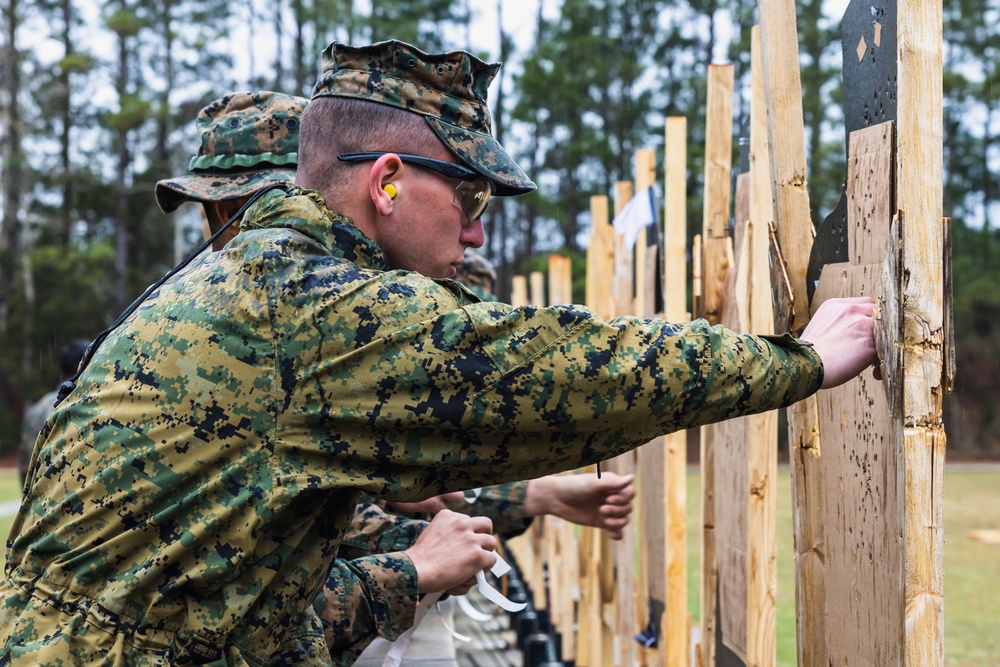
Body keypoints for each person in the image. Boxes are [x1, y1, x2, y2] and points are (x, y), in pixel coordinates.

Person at [1, 40, 878, 666]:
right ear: (385, 183)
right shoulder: (316, 303)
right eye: (465, 195)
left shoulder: (274, 277)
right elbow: (553, 372)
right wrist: (797, 361)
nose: (476, 225)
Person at [153, 91, 636, 666]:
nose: (243, 233)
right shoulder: (218, 352)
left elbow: (347, 521)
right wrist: (411, 569)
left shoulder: (261, 331)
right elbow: (235, 621)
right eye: (226, 214)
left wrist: (525, 499)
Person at [17, 339, 89, 489]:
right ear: (87, 364)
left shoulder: (38, 408)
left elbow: (25, 465)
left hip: (41, 501)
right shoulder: (87, 404)